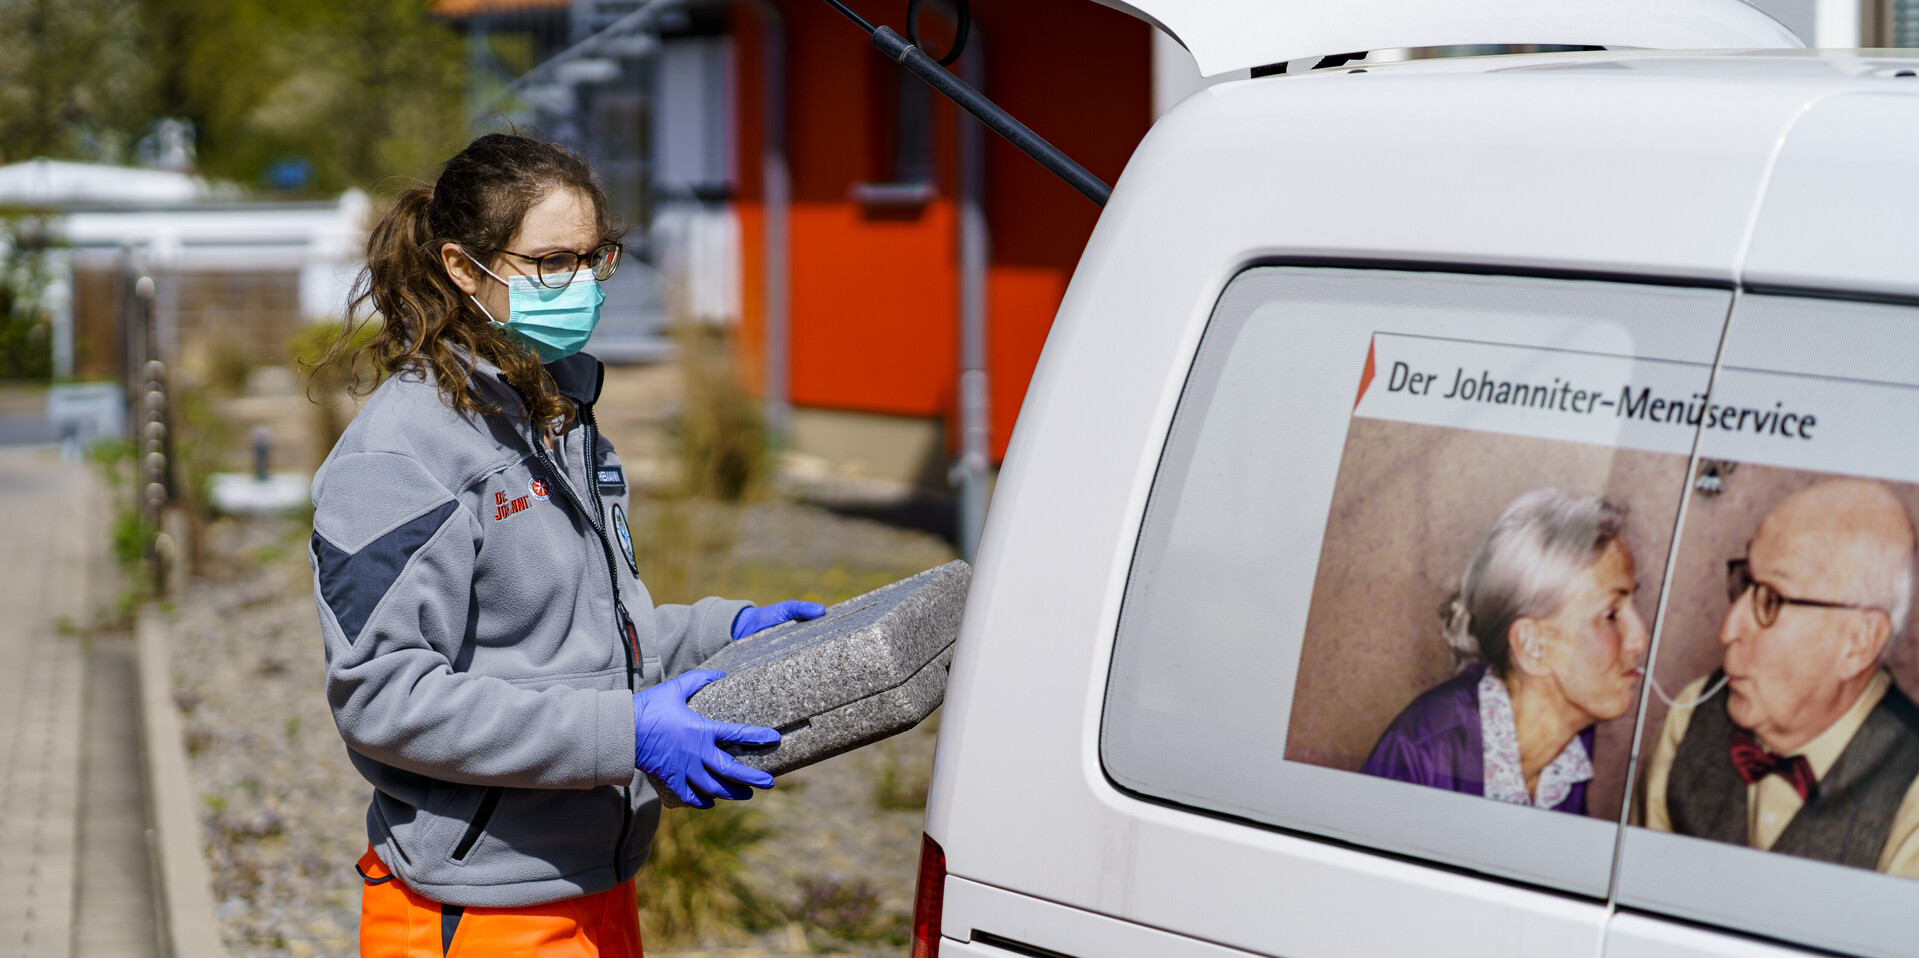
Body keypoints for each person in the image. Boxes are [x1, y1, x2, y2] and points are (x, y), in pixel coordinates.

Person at [309, 134, 826, 956]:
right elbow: (383, 698)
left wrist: (720, 633)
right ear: (461, 266)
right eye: (551, 262)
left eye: (594, 258)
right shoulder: (400, 453)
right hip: (480, 912)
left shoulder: (557, 417)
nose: (580, 285)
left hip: (598, 882)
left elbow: (573, 640)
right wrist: (625, 735)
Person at [1642, 479, 1919, 877]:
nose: (1727, 629)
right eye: (1745, 584)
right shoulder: (1690, 714)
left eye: (1771, 599)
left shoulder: (1912, 797)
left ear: (1858, 643)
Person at [1361, 490, 1649, 814]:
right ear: (1532, 646)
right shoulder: (1420, 755)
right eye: (1610, 615)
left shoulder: (1571, 741)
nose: (1639, 639)